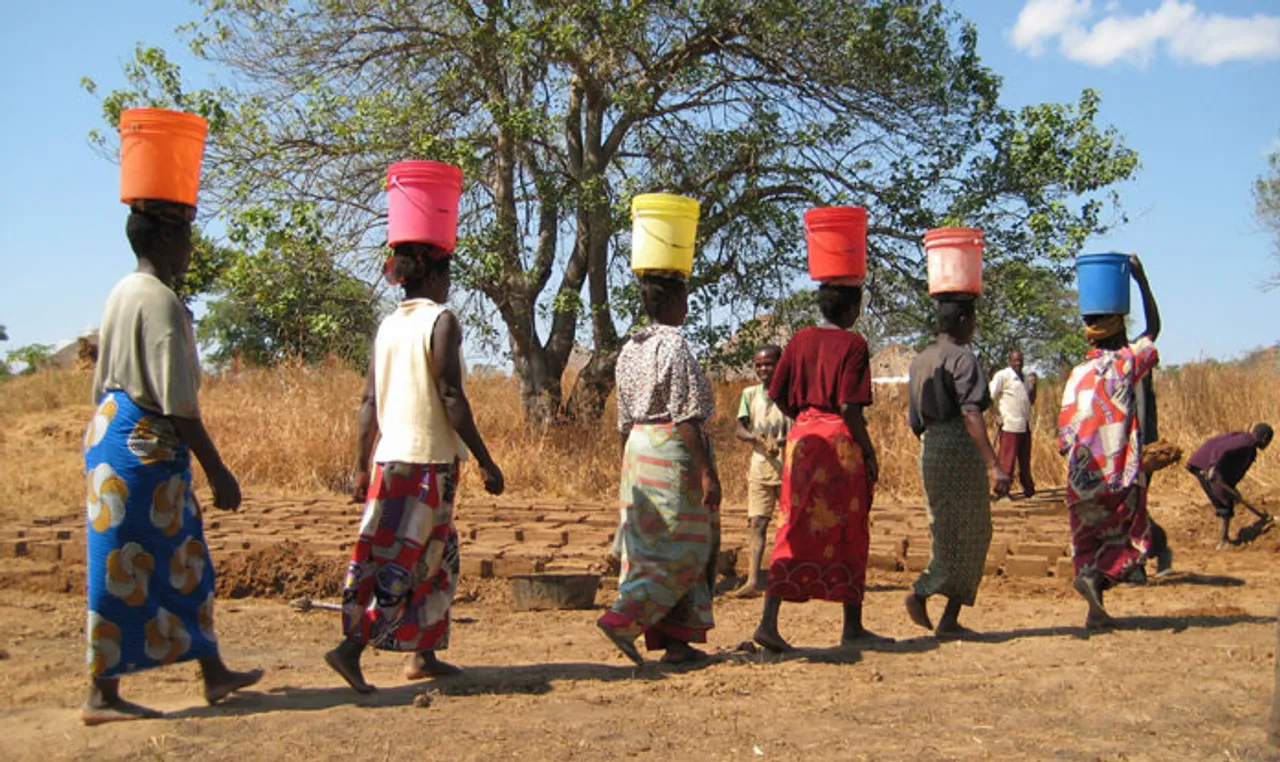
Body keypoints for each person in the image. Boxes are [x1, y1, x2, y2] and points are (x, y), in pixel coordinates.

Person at [82, 199, 263, 725]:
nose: (190, 248)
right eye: (185, 237)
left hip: (120, 434)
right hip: (144, 444)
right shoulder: (158, 300)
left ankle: (213, 672)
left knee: (186, 559)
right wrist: (218, 469)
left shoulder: (122, 291)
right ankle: (101, 693)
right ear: (162, 241)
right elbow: (178, 401)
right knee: (124, 566)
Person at [326, 243, 505, 693]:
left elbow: (368, 402)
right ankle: (349, 650)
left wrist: (361, 467)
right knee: (399, 561)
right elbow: (451, 397)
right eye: (446, 275)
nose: (449, 285)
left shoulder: (388, 326)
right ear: (430, 275)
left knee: (435, 558)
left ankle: (422, 654)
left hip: (396, 461)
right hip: (423, 464)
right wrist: (486, 460)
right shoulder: (440, 321)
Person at [752, 282, 891, 651]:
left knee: (793, 524)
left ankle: (769, 622)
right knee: (850, 527)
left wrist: (802, 418)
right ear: (851, 309)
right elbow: (849, 407)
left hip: (803, 441)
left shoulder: (799, 340)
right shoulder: (855, 345)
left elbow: (776, 392)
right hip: (839, 443)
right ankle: (852, 627)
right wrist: (870, 451)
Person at [598, 272, 721, 665]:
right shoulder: (675, 345)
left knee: (649, 544)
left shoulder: (630, 348)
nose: (686, 306)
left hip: (638, 448)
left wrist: (627, 469)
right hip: (670, 449)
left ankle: (676, 642)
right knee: (683, 546)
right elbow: (686, 415)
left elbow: (622, 421)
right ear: (669, 303)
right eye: (684, 298)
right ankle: (624, 618)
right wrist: (706, 472)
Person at [1058, 253, 1160, 629]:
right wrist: (1140, 278)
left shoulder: (1077, 374)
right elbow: (1154, 329)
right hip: (1118, 474)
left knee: (1087, 543)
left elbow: (1064, 437)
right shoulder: (1125, 363)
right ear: (1119, 328)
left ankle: (1094, 611)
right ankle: (1096, 580)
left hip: (1081, 478)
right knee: (1131, 540)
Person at [905, 297, 1011, 639]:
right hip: (959, 449)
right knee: (973, 533)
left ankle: (949, 618)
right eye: (973, 320)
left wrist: (932, 442)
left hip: (931, 448)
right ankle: (924, 591)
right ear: (964, 320)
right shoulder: (963, 358)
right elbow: (971, 413)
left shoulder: (920, 360)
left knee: (945, 529)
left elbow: (914, 421)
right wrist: (994, 464)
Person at [731, 345, 790, 598]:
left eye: (768, 364)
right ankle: (753, 580)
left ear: (780, 364)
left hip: (789, 466)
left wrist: (781, 442)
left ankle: (789, 578)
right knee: (757, 522)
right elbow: (739, 429)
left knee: (789, 524)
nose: (763, 369)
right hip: (760, 466)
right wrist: (755, 437)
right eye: (758, 365)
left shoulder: (791, 394)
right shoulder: (750, 394)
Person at [1186, 423, 1273, 548]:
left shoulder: (1250, 449)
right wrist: (1212, 466)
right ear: (1265, 438)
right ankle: (1223, 542)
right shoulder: (1246, 441)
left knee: (1226, 499)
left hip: (1213, 469)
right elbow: (1220, 448)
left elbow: (1233, 471)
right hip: (1206, 467)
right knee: (1225, 503)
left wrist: (1233, 489)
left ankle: (1223, 539)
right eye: (1268, 441)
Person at [989, 349, 1036, 499]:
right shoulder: (1003, 376)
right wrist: (996, 415)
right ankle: (1002, 492)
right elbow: (989, 396)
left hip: (1025, 424)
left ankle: (1029, 490)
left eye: (1020, 361)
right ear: (1009, 361)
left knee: (1024, 461)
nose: (1018, 363)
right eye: (1015, 360)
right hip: (1010, 424)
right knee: (1007, 460)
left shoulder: (1024, 378)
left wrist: (1034, 387)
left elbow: (1029, 401)